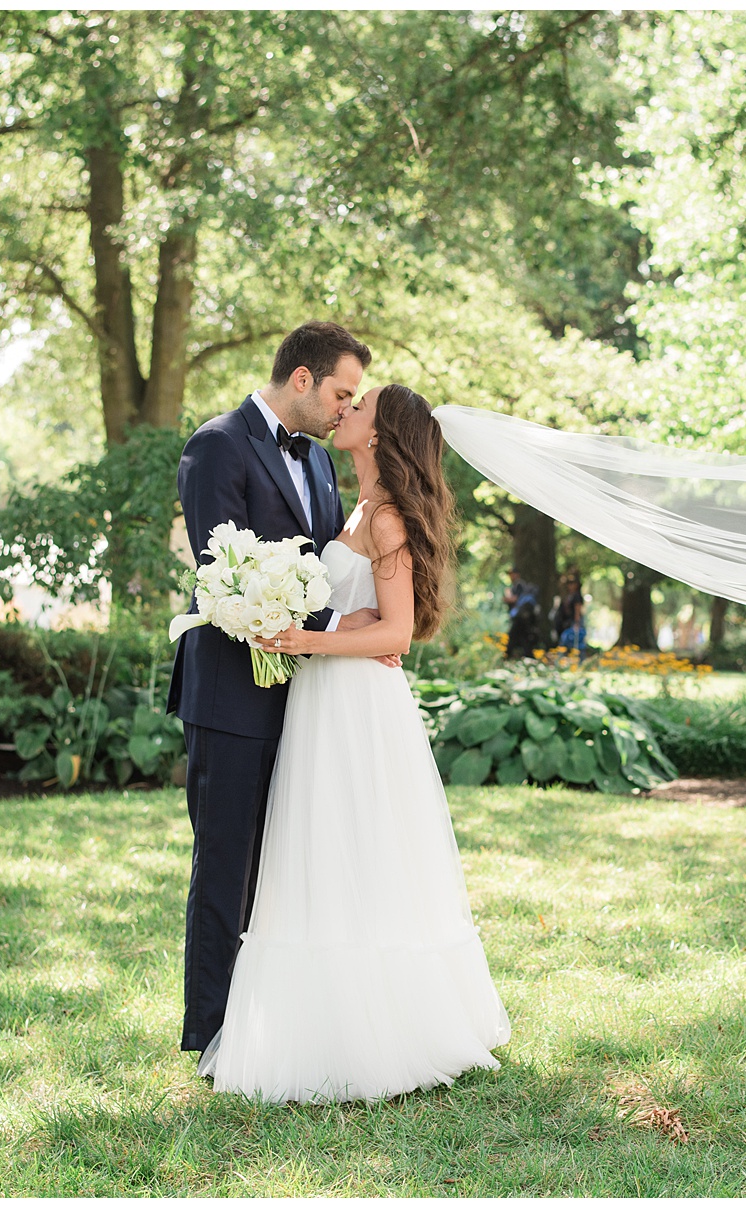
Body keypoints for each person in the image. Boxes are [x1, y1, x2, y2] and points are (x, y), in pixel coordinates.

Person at [197, 382, 511, 1103]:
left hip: (358, 705)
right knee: (318, 852)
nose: (346, 412)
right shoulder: (357, 508)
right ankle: (317, 1024)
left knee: (357, 851)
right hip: (323, 696)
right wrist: (319, 625)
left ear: (378, 434)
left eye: (358, 405)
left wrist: (301, 635)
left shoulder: (390, 517)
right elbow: (352, 611)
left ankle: (383, 1031)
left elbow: (398, 632)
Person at [167, 321, 400, 1061]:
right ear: (301, 379)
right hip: (232, 698)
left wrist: (347, 639)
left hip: (307, 702)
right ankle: (212, 1037)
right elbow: (225, 572)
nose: (345, 408)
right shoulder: (217, 445)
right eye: (341, 392)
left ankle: (276, 1031)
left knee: (290, 872)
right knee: (226, 869)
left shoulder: (323, 467)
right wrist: (336, 621)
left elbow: (325, 563)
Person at [503, 567, 543, 660]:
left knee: (514, 635)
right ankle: (528, 657)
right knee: (524, 637)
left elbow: (515, 599)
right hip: (523, 617)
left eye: (512, 574)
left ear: (517, 574)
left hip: (521, 617)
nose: (511, 576)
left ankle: (507, 656)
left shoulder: (519, 585)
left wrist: (506, 598)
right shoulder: (518, 585)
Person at [555, 571, 587, 651]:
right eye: (569, 584)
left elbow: (578, 609)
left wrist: (577, 622)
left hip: (574, 621)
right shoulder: (567, 596)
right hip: (566, 621)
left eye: (572, 584)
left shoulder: (577, 596)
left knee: (575, 640)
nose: (570, 586)